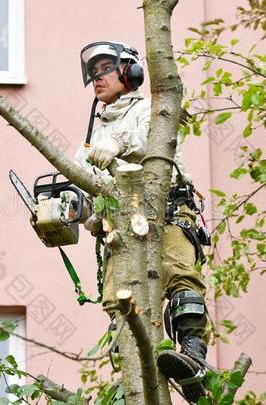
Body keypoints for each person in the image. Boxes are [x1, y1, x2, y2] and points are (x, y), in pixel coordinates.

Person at [75, 41, 211, 402]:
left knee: (180, 276)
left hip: (165, 213)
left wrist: (117, 144)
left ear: (129, 71)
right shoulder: (91, 138)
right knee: (119, 309)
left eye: (104, 68)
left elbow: (153, 140)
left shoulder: (153, 110)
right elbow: (81, 184)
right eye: (93, 71)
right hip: (121, 232)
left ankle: (194, 356)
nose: (96, 77)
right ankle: (135, 380)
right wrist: (80, 212)